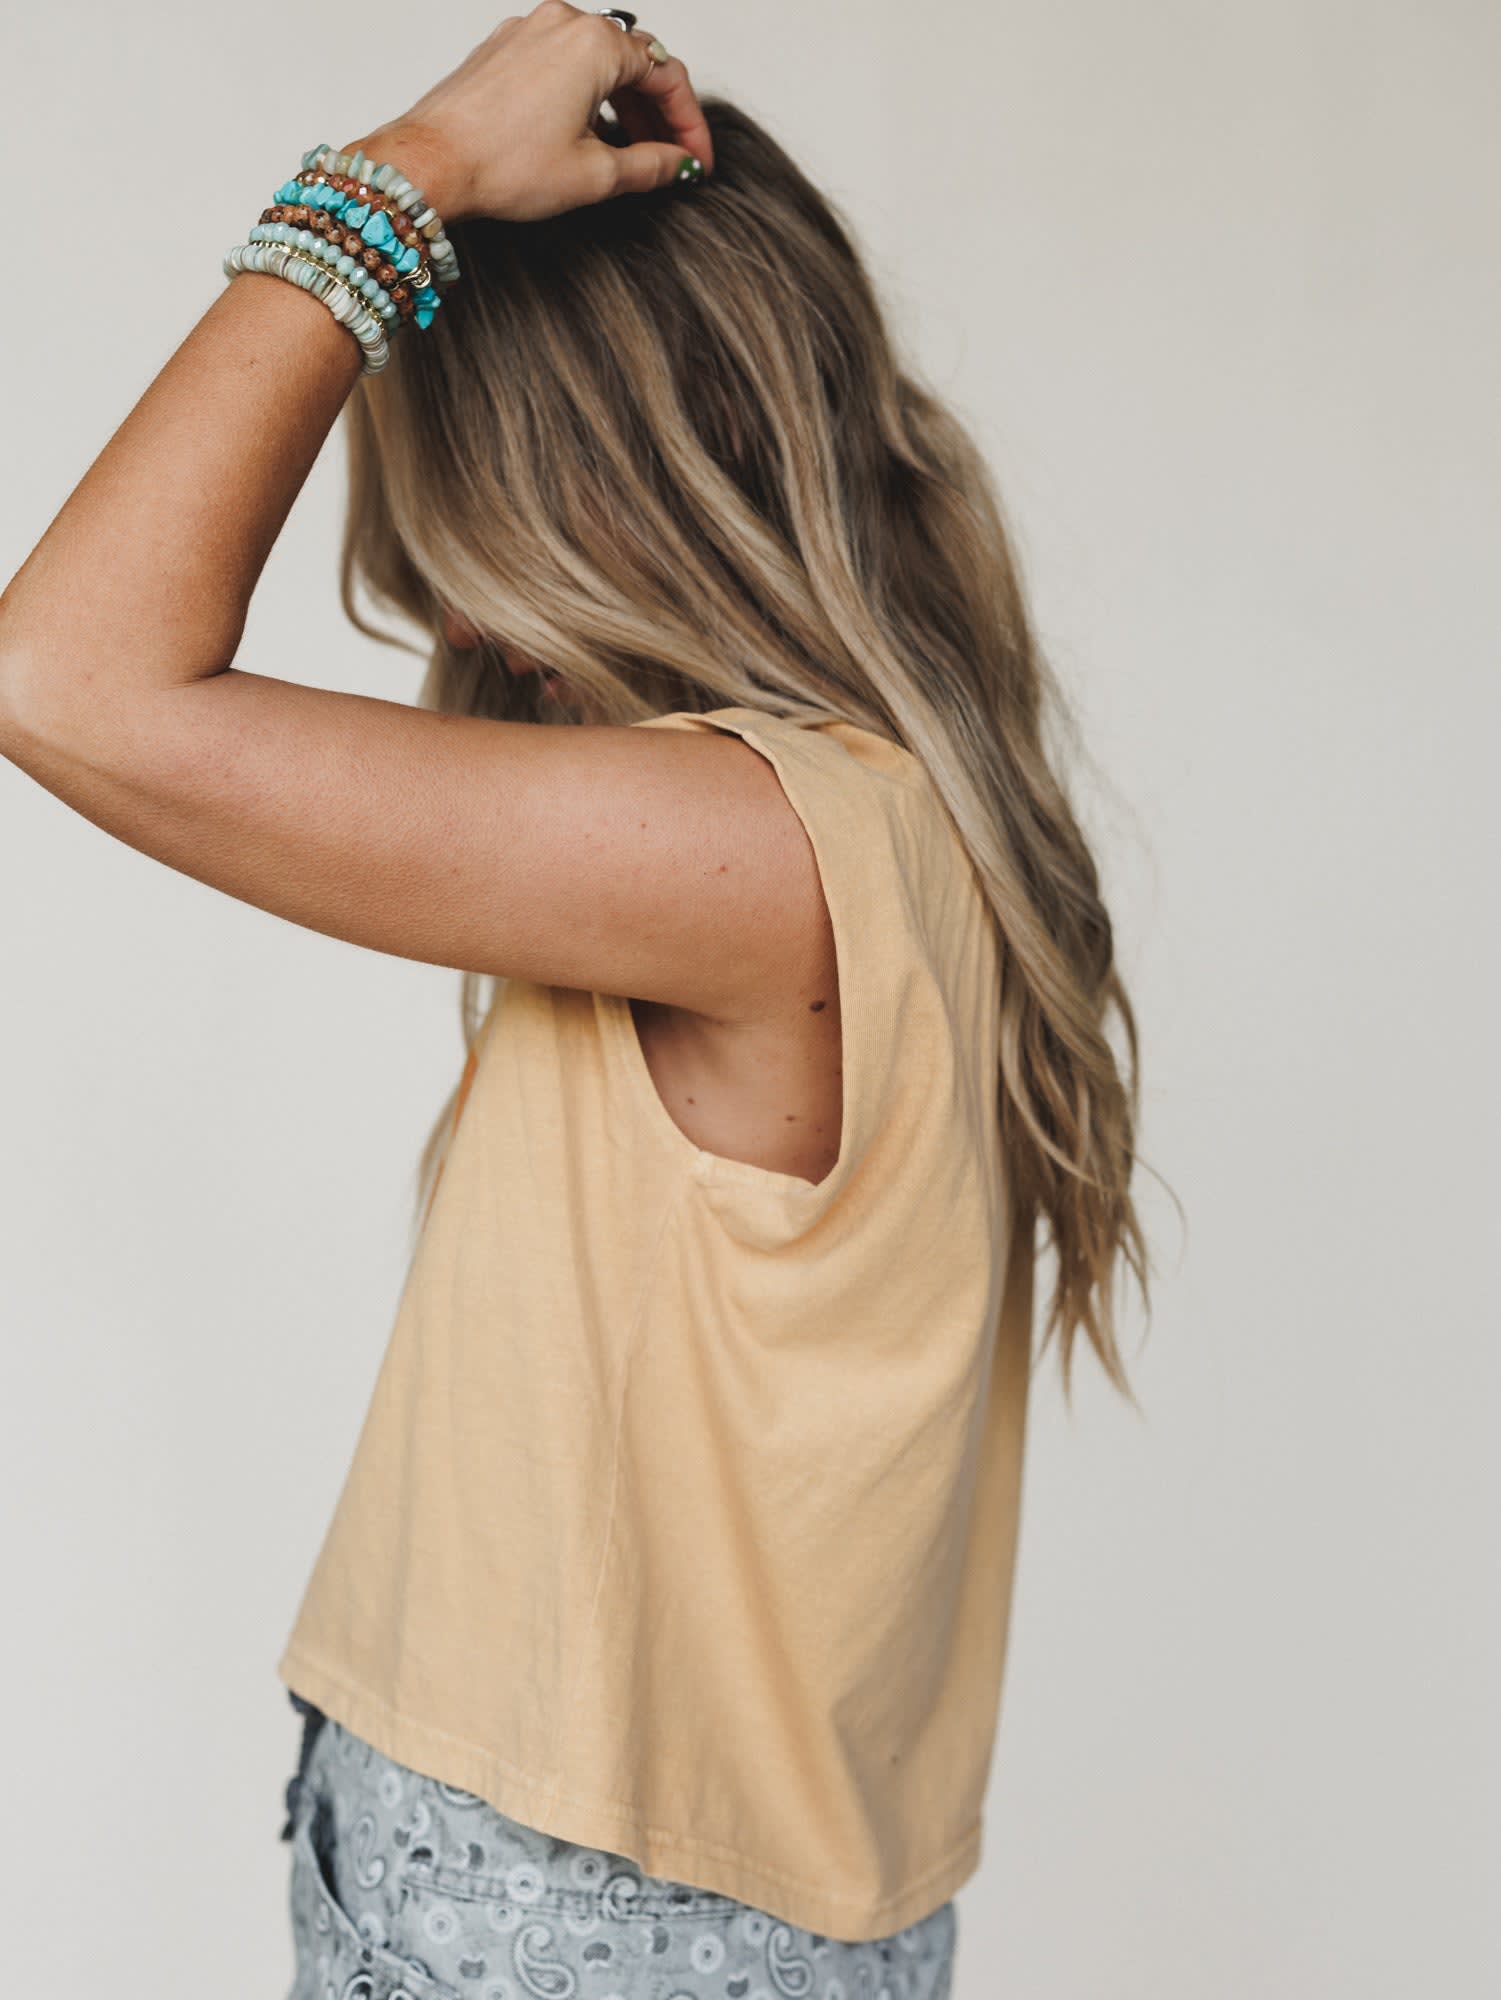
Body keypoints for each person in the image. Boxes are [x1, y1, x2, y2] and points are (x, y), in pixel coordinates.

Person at [0, 5, 1154, 1993]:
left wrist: (413, 171)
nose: (455, 612)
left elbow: (67, 678)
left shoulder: (763, 846)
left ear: (634, 476)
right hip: (689, 1908)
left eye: (481, 518)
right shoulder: (893, 818)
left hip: (564, 1914)